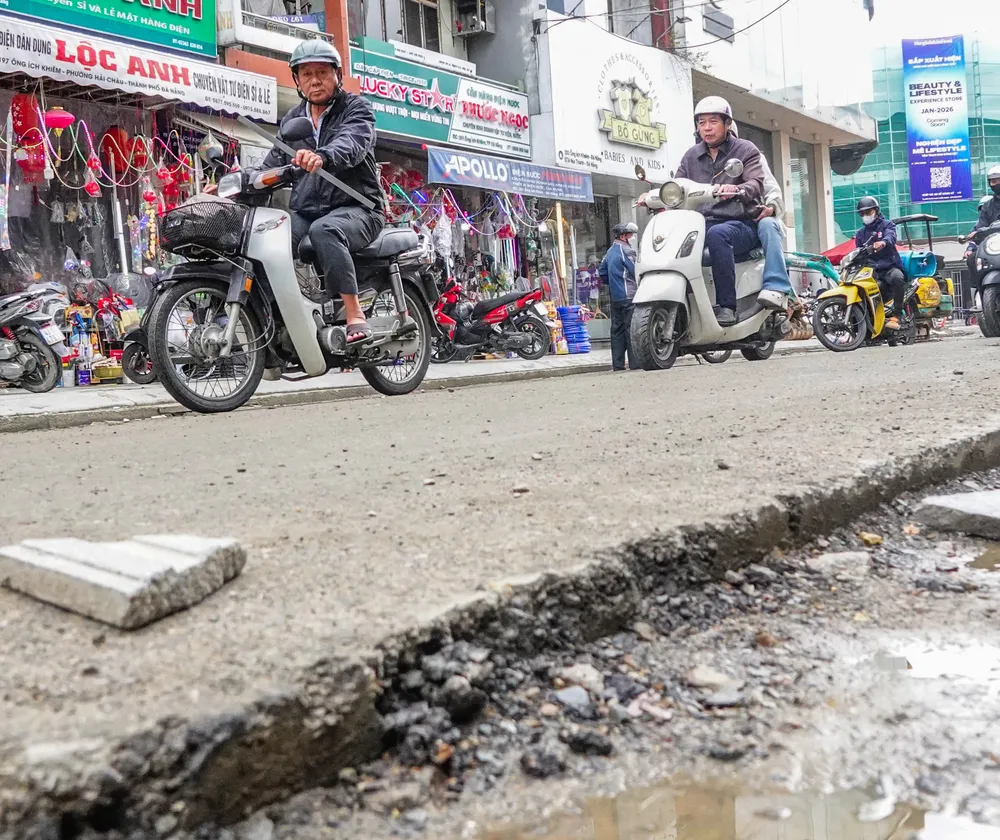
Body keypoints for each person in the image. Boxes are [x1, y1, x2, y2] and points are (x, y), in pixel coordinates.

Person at [260, 40, 385, 344]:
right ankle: (271, 320)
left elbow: (352, 143)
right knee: (264, 237)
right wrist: (236, 181)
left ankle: (355, 314)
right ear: (297, 80)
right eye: (306, 74)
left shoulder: (356, 108)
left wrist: (324, 155)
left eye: (322, 73)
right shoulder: (292, 120)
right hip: (308, 210)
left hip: (358, 208)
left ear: (337, 75)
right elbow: (271, 163)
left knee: (324, 230)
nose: (314, 80)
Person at [675, 96, 766, 327]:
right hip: (700, 223)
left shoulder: (745, 150)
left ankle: (727, 306)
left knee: (719, 234)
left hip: (740, 224)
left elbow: (756, 183)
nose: (706, 127)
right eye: (701, 122)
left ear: (727, 124)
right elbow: (678, 186)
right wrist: (653, 197)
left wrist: (737, 188)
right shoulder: (691, 156)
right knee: (675, 239)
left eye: (713, 121)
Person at [730, 122, 793, 310]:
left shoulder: (751, 156)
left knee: (767, 224)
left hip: (752, 221)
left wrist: (771, 207)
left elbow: (772, 189)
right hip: (723, 223)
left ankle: (776, 286)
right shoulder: (698, 159)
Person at [854, 196, 905, 330]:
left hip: (889, 267)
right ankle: (866, 322)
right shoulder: (860, 234)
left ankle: (897, 316)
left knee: (898, 278)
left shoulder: (887, 225)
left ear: (876, 211)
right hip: (871, 271)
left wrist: (883, 242)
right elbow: (858, 253)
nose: (865, 216)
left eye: (868, 212)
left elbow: (891, 236)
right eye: (862, 213)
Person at [598, 221, 639, 371]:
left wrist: (614, 283)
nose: (631, 237)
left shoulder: (609, 252)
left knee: (617, 331)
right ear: (623, 236)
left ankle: (618, 364)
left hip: (615, 297)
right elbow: (636, 271)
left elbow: (602, 272)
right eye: (630, 235)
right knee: (631, 329)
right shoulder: (627, 250)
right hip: (629, 296)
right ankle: (635, 363)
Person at [960, 167, 1000, 299]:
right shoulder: (987, 206)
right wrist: (973, 238)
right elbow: (981, 226)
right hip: (994, 245)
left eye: (998, 180)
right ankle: (978, 295)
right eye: (992, 181)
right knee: (972, 259)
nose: (996, 183)